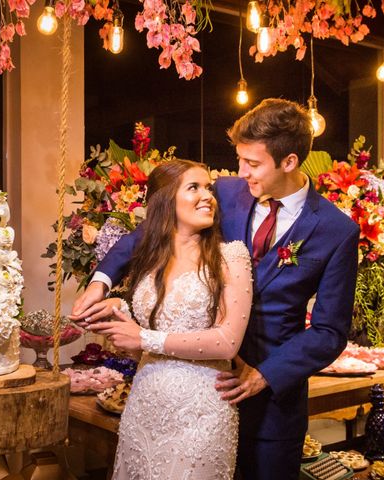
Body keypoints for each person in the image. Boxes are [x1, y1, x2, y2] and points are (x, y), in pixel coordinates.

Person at [72, 99, 360, 480]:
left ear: (289, 161)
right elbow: (151, 229)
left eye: (253, 164)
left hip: (272, 398)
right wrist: (101, 280)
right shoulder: (225, 193)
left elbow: (329, 331)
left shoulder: (336, 231)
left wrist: (265, 374)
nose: (241, 172)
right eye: (240, 159)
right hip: (200, 385)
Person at [74, 159, 253, 479]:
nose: (208, 196)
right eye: (194, 187)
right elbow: (146, 333)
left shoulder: (231, 256)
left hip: (201, 415)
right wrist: (116, 313)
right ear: (165, 202)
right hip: (144, 406)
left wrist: (143, 338)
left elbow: (227, 343)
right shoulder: (149, 258)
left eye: (209, 188)